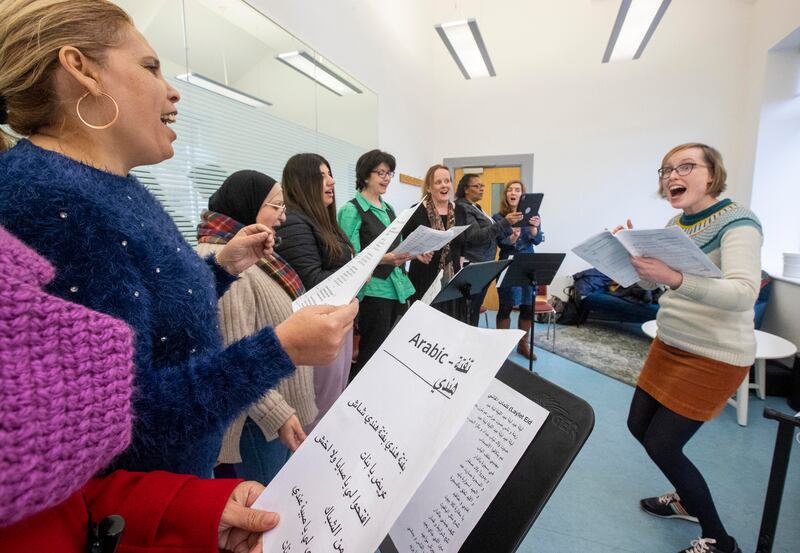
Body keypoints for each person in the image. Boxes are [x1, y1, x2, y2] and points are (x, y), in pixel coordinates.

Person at [0, 0, 357, 478]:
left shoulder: (107, 185)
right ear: (80, 70)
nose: (172, 92)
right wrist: (280, 350)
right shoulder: (51, 200)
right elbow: (129, 422)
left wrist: (221, 269)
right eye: (150, 67)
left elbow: (153, 316)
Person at [0, 224, 279, 553]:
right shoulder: (56, 204)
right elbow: (144, 408)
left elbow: (71, 503)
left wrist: (201, 512)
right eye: (274, 205)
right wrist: (277, 350)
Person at [622, 143, 761, 553]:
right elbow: (656, 282)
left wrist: (673, 276)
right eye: (665, 170)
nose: (671, 176)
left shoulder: (740, 223)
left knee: (663, 443)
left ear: (712, 174)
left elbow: (742, 293)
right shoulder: (676, 223)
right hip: (671, 344)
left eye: (685, 167)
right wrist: (636, 259)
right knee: (637, 426)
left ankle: (721, 540)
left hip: (713, 354)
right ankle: (685, 499)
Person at [197, 170, 317, 484]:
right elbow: (234, 353)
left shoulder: (260, 255)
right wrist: (277, 414)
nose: (282, 216)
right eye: (276, 206)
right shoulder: (223, 258)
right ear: (247, 206)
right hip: (257, 421)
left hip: (275, 412)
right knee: (266, 510)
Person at [275, 153, 355, 429]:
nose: (331, 181)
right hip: (319, 326)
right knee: (319, 410)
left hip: (338, 322)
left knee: (333, 402)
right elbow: (313, 281)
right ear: (303, 183)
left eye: (330, 174)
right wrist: (358, 274)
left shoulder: (324, 223)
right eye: (322, 176)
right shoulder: (295, 222)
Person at [338, 149, 415, 378]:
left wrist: (414, 253)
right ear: (364, 176)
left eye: (389, 173)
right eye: (380, 173)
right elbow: (350, 256)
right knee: (371, 354)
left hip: (398, 288)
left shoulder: (388, 208)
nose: (386, 178)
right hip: (373, 292)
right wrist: (388, 258)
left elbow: (397, 246)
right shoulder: (351, 210)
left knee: (391, 352)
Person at [455, 173, 522, 326]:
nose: (481, 189)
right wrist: (505, 222)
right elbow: (475, 237)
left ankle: (470, 343)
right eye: (477, 186)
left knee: (474, 308)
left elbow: (491, 235)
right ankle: (465, 346)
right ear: (466, 189)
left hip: (483, 264)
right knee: (469, 311)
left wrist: (511, 238)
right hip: (473, 265)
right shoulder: (462, 207)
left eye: (482, 186)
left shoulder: (475, 207)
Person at [403, 164, 468, 323]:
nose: (444, 185)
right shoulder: (416, 211)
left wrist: (461, 259)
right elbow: (403, 244)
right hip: (424, 277)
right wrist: (417, 254)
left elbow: (463, 242)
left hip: (452, 280)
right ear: (429, 188)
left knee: (450, 325)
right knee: (424, 325)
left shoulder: (460, 211)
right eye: (438, 182)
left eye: (447, 181)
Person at [493, 180, 543, 360]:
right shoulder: (498, 218)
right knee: (505, 306)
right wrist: (512, 238)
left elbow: (537, 240)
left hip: (528, 263)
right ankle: (500, 347)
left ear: (522, 195)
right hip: (508, 262)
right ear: (506, 194)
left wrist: (534, 229)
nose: (513, 192)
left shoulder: (533, 216)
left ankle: (523, 345)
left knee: (527, 307)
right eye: (510, 190)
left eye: (517, 190)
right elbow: (499, 242)